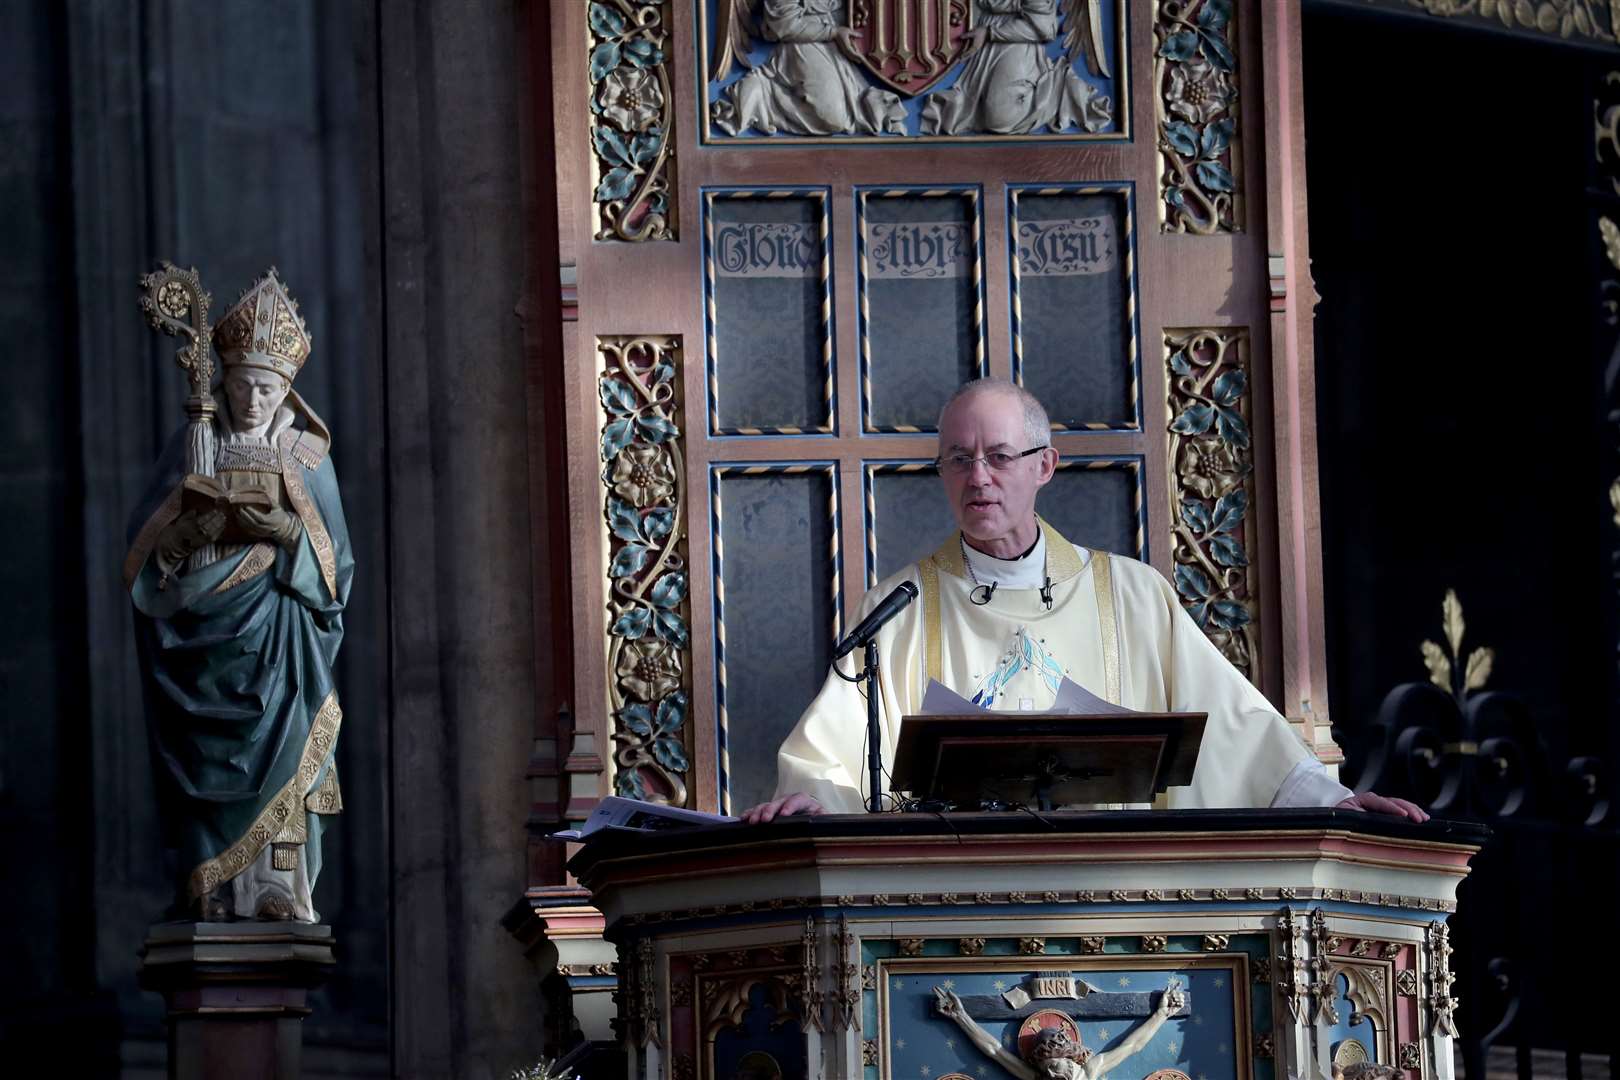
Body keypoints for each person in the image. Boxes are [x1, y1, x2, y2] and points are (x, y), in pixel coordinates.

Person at [743, 377, 1425, 823]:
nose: (977, 477)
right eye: (957, 459)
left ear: (1045, 465)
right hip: (946, 899)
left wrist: (1334, 805)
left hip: (1107, 893)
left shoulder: (1130, 595)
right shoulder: (899, 604)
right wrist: (811, 803)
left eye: (999, 457)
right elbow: (829, 753)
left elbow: (1238, 731)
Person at [125, 268, 352, 921]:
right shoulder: (195, 445)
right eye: (244, 384)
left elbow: (339, 564)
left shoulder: (307, 457)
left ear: (288, 389)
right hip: (202, 635)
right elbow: (146, 551)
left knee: (282, 753)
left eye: (268, 387)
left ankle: (278, 892)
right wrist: (184, 537)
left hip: (277, 636)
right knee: (205, 760)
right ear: (223, 380)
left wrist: (283, 529)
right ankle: (212, 888)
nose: (253, 398)